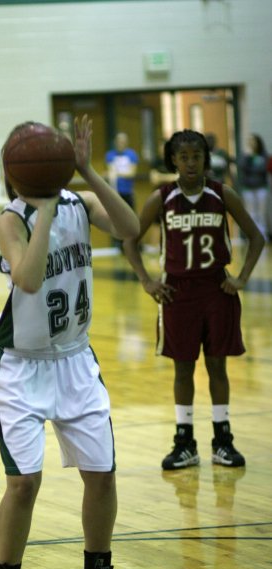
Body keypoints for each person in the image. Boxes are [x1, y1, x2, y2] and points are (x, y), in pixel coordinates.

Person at [0, 115, 140, 569]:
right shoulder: (12, 219)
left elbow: (131, 228)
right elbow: (27, 279)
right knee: (24, 483)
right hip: (20, 369)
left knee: (102, 475)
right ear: (17, 174)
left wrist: (87, 173)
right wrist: (44, 211)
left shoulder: (80, 203)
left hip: (75, 360)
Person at [123, 129, 265, 471]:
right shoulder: (161, 198)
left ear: (206, 159)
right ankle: (184, 442)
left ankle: (223, 440)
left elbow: (257, 238)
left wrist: (242, 278)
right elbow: (129, 241)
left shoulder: (222, 194)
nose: (190, 162)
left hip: (217, 290)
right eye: (183, 157)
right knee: (183, 368)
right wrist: (147, 281)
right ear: (173, 159)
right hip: (178, 293)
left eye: (196, 156)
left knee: (218, 366)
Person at [238, 133, 269, 239]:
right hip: (248, 188)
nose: (251, 143)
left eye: (253, 141)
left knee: (261, 213)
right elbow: (242, 167)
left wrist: (251, 169)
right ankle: (253, 236)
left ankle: (263, 234)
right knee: (251, 213)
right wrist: (248, 157)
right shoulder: (246, 155)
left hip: (261, 187)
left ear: (258, 142)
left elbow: (263, 169)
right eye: (249, 141)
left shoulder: (264, 155)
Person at [105, 131, 139, 210]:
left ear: (126, 142)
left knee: (131, 214)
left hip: (128, 191)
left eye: (123, 142)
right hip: (114, 191)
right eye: (119, 141)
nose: (120, 144)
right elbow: (111, 173)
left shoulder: (132, 154)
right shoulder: (109, 155)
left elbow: (132, 174)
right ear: (115, 142)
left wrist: (116, 174)